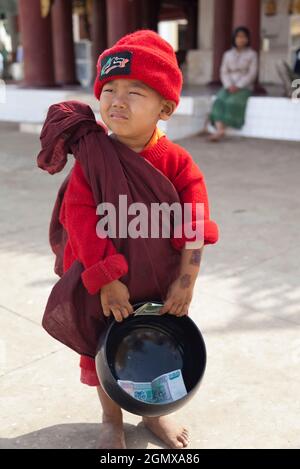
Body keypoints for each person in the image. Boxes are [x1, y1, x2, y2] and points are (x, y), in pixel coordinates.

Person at [38, 30, 219, 449]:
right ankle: (111, 419)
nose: (117, 100)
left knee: (157, 348)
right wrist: (105, 277)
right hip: (106, 285)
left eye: (135, 91)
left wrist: (185, 282)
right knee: (106, 352)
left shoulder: (177, 162)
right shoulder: (93, 162)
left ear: (166, 107)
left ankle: (155, 415)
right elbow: (80, 221)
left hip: (158, 281)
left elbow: (196, 220)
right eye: (110, 89)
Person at [206, 26, 258, 142]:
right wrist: (229, 85)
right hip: (228, 86)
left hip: (244, 86)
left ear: (247, 39)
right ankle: (220, 130)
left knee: (232, 102)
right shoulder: (227, 54)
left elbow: (252, 73)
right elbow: (223, 71)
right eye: (238, 37)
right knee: (219, 100)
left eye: (243, 37)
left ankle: (222, 129)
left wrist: (239, 85)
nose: (241, 40)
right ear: (234, 39)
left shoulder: (252, 54)